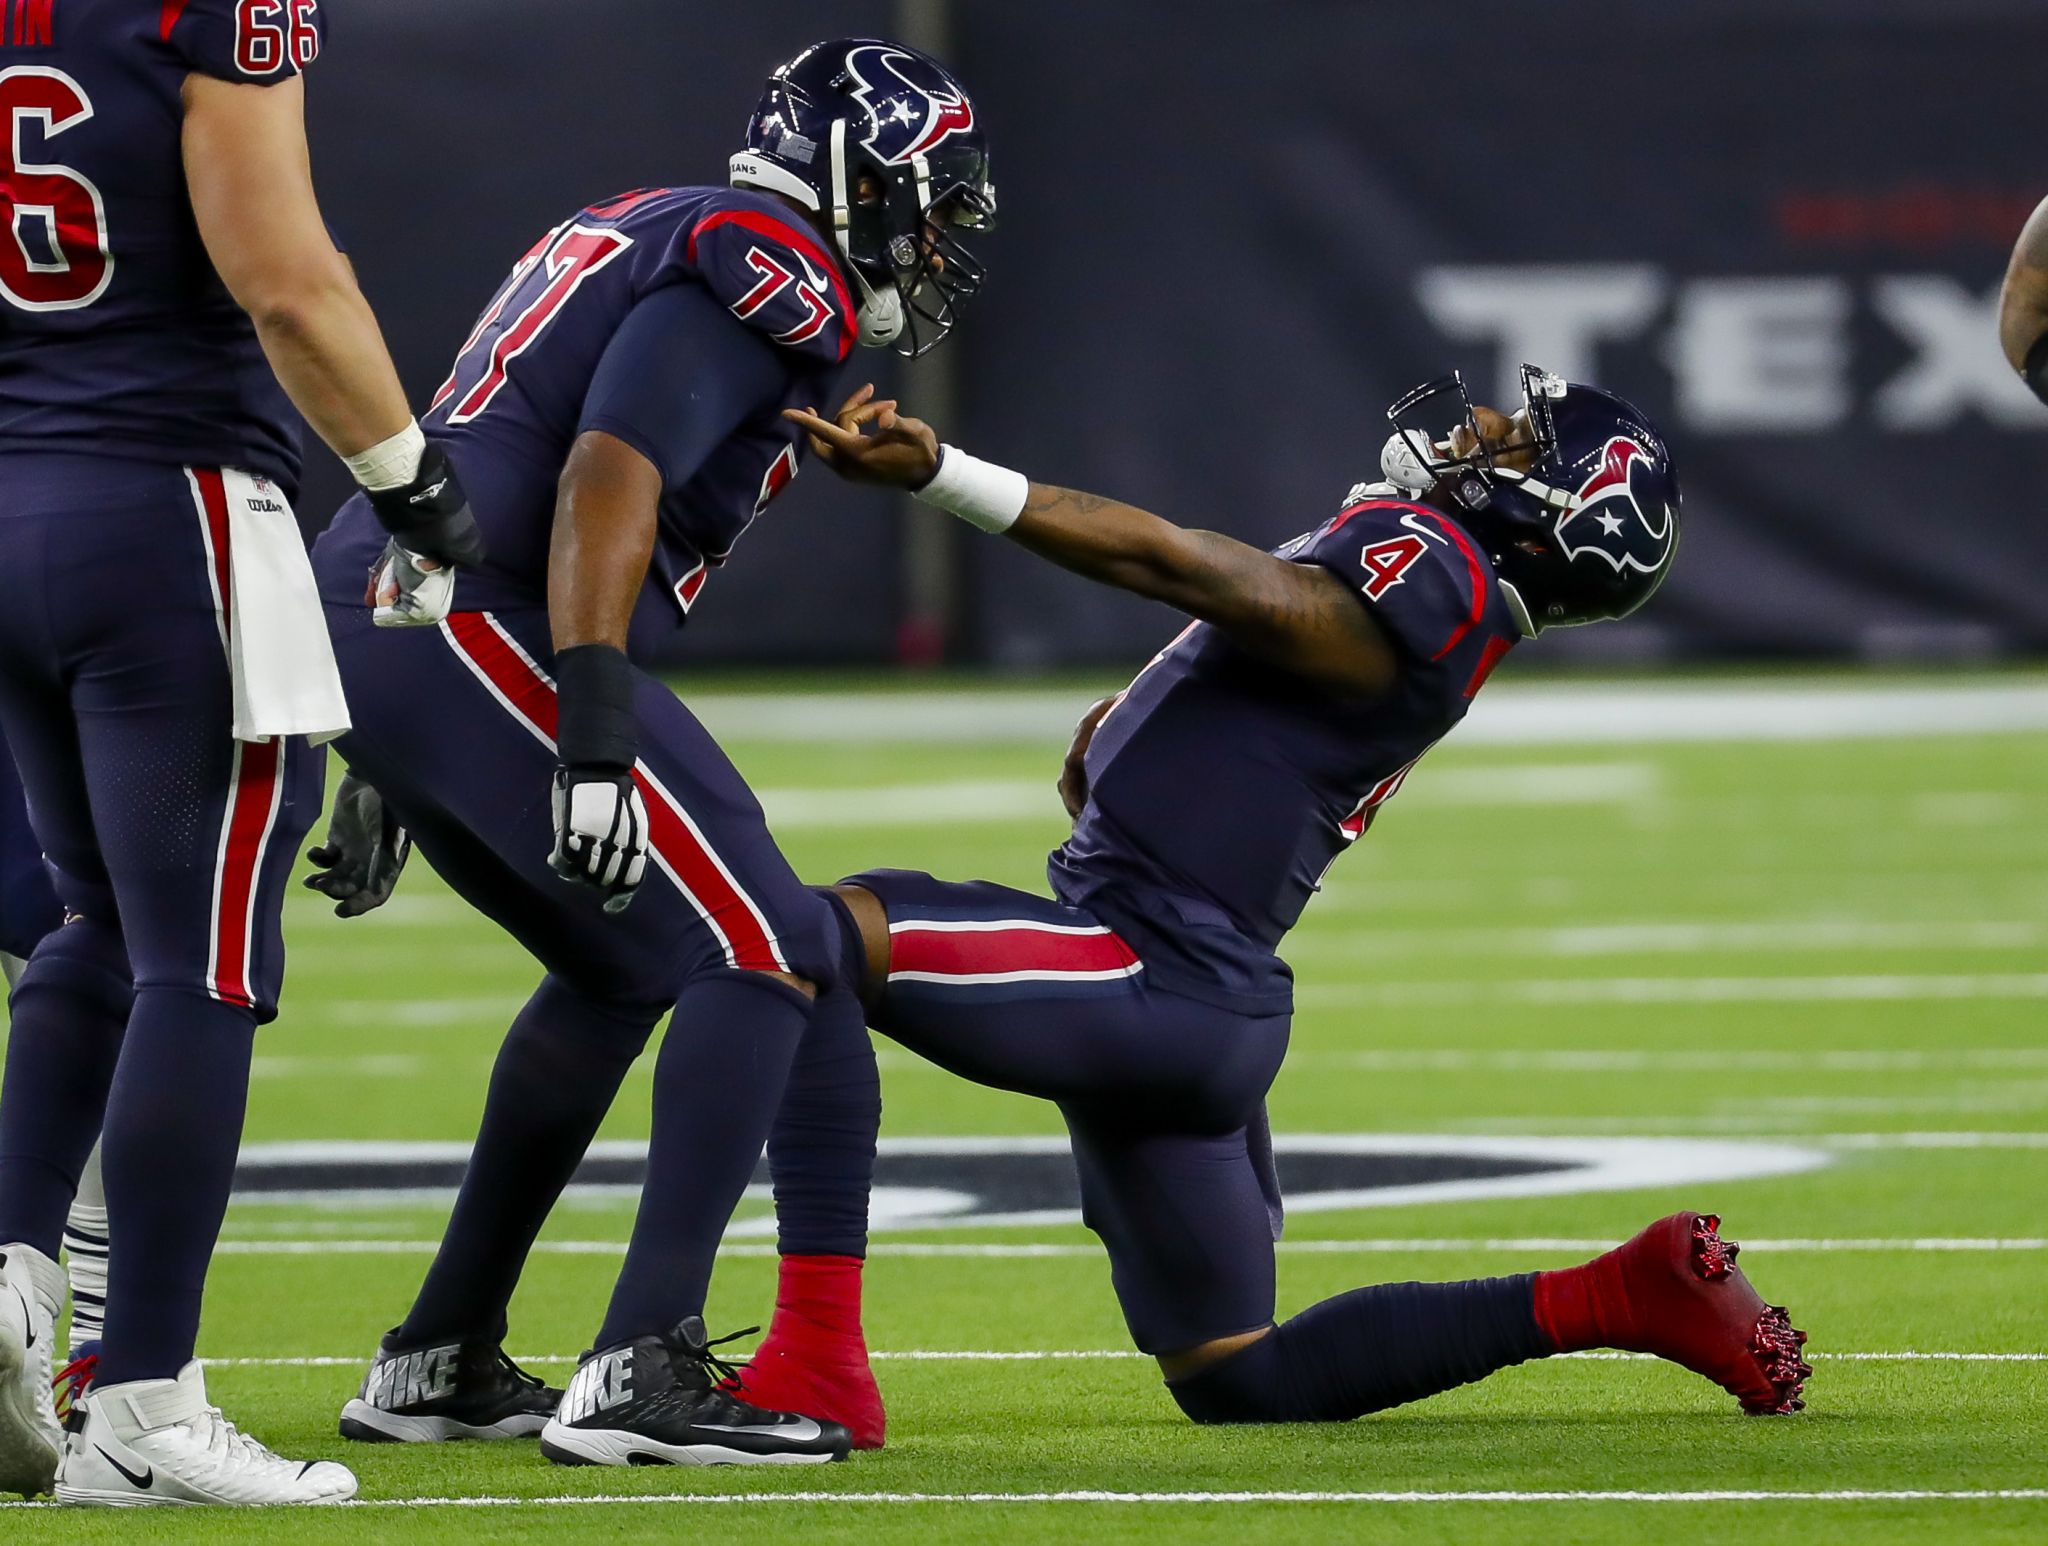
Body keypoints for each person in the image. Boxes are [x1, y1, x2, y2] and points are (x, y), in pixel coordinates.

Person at [742, 365, 1810, 1427]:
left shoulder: (1439, 575)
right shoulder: (1445, 615)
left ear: (1553, 522)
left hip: (1144, 971)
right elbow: (1265, 692)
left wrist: (945, 475)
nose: (1483, 428)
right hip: (1208, 1000)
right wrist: (1138, 740)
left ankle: (814, 1359)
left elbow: (1189, 570)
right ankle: (1626, 1291)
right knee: (1236, 1377)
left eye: (1524, 445)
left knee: (810, 938)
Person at [311, 38, 994, 1469]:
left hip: (396, 612)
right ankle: (642, 1365)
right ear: (846, 178)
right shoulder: (769, 261)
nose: (933, 236)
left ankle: (438, 1354)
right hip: (475, 620)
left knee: (622, 968)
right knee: (768, 941)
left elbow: (484, 441)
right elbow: (601, 471)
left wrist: (380, 748)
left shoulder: (639, 217)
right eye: (921, 197)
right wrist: (598, 729)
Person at [0, 0, 485, 1506]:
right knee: (200, 960)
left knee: (90, 922)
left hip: (13, 496)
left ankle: (13, 1276)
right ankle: (142, 1396)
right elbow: (285, 281)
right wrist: (412, 484)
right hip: (165, 510)